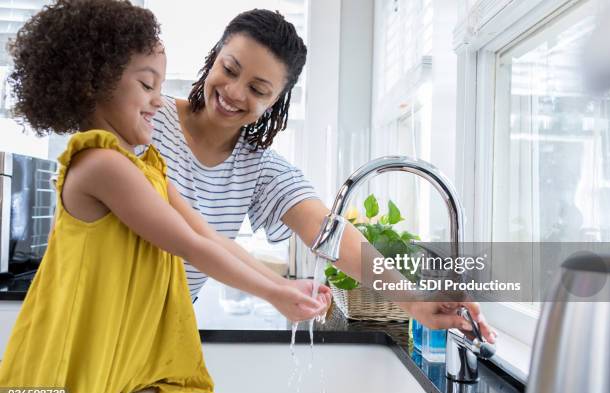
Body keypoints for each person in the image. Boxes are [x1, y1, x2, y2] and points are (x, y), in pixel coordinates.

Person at [0, 1, 328, 393]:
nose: (159, 100)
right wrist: (273, 293)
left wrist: (284, 286)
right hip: (58, 363)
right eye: (146, 85)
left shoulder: (145, 165)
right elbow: (192, 247)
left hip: (110, 348)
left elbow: (206, 234)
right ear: (95, 82)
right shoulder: (103, 165)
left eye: (259, 89)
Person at [148, 8, 497, 341]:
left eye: (258, 90)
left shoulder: (259, 168)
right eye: (230, 68)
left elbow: (328, 231)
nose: (235, 92)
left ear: (275, 103)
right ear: (214, 57)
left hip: (165, 328)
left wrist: (414, 300)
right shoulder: (144, 118)